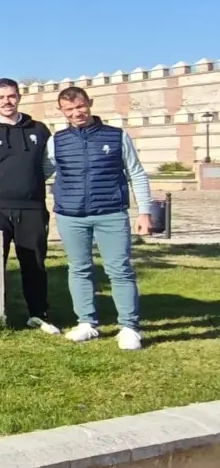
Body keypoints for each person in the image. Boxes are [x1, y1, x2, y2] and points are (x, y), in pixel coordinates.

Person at [46, 86, 152, 350]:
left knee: (120, 269)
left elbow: (136, 173)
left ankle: (129, 327)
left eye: (80, 106)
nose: (76, 113)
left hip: (111, 213)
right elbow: (42, 172)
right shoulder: (56, 141)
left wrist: (145, 212)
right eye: (69, 109)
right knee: (78, 268)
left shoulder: (117, 136)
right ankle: (86, 323)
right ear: (61, 111)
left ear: (89, 103)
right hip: (70, 215)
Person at [0, 77, 56, 333]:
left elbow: (49, 165)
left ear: (19, 98)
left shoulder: (38, 130)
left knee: (34, 264)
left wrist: (30, 183)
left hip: (31, 209)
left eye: (12, 96)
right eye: (1, 97)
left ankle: (38, 314)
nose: (7, 102)